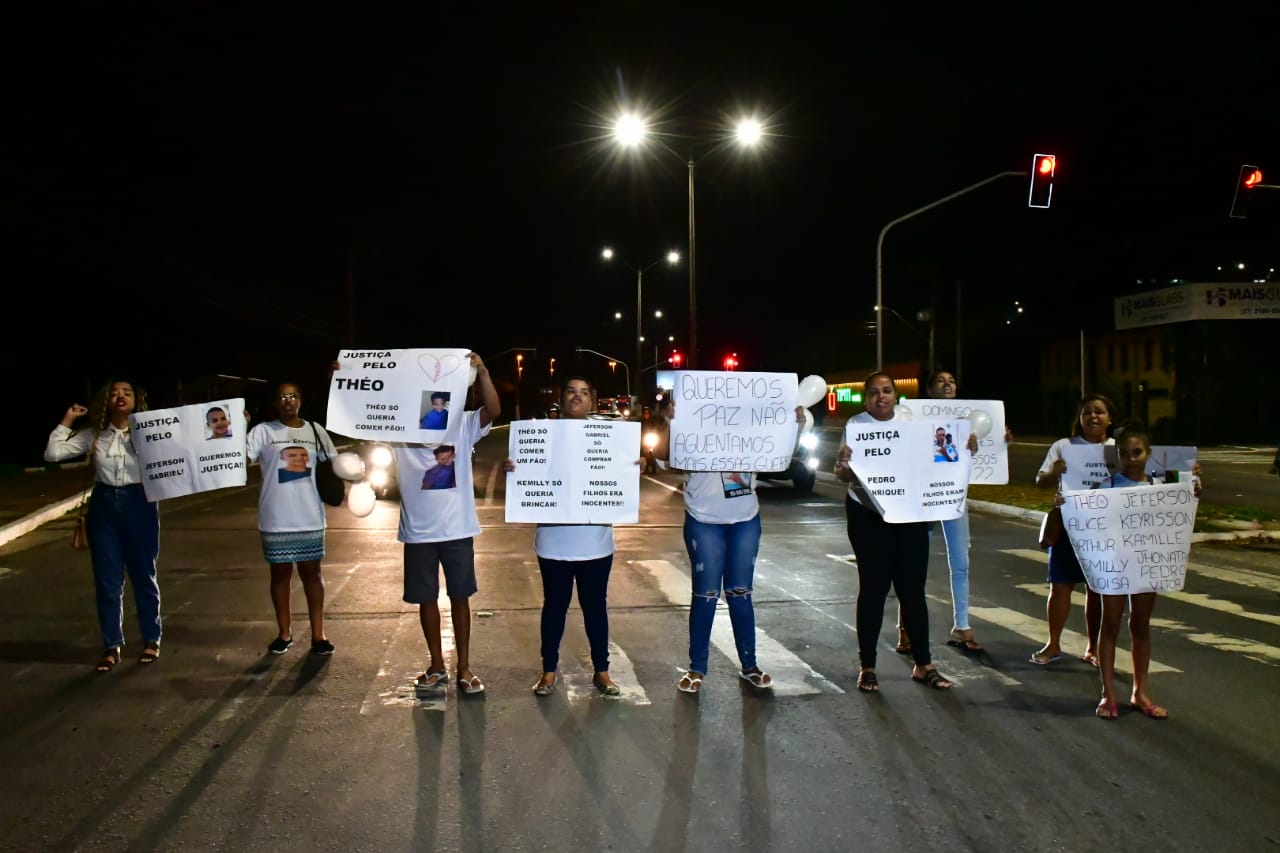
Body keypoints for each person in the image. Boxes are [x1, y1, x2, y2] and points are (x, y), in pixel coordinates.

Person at [505, 375, 637, 697]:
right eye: (571, 392)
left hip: (596, 544)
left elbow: (624, 473)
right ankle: (548, 672)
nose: (577, 397)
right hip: (554, 544)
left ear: (592, 399)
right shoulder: (541, 434)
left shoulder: (609, 438)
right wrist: (516, 468)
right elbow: (531, 475)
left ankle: (602, 672)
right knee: (554, 607)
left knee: (596, 609)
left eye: (583, 392)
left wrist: (634, 464)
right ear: (562, 398)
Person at [657, 395, 798, 695]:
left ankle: (750, 666)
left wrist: (792, 427)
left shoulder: (750, 430)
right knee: (706, 594)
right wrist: (671, 421)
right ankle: (697, 668)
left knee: (740, 593)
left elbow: (781, 457)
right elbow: (661, 459)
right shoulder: (691, 427)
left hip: (745, 519)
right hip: (703, 519)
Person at [834, 371, 952, 692]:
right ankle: (868, 666)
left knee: (912, 590)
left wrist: (964, 446)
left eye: (887, 391)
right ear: (866, 398)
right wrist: (843, 467)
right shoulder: (856, 426)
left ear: (896, 395)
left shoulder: (911, 420)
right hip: (867, 516)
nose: (881, 397)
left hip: (908, 514)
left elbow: (940, 454)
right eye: (874, 392)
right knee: (873, 590)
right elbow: (843, 474)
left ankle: (923, 664)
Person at [1075, 421, 1200, 720]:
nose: (1132, 459)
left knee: (1140, 625)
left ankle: (1139, 692)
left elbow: (1180, 514)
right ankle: (1108, 694)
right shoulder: (1108, 486)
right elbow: (1088, 519)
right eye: (1125, 453)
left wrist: (1192, 488)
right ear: (1116, 455)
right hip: (1115, 565)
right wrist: (1066, 504)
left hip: (1146, 563)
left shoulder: (1161, 486)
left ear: (1149, 453)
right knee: (1110, 625)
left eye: (1137, 452)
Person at [392, 352, 500, 695]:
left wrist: (482, 372)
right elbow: (353, 417)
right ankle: (437, 665)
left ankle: (464, 668)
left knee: (460, 597)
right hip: (418, 530)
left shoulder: (461, 423)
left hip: (457, 528)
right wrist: (344, 380)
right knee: (426, 598)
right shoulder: (395, 425)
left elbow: (494, 411)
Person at [45, 379, 163, 671]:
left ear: (137, 399)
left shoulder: (150, 433)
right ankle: (112, 645)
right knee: (108, 581)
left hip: (140, 504)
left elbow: (189, 448)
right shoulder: (94, 435)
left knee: (144, 575)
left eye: (127, 392)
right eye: (114, 392)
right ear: (106, 401)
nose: (120, 396)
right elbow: (53, 453)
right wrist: (69, 419)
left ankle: (151, 638)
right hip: (104, 508)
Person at [896, 370, 1011, 656]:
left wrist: (998, 440)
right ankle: (905, 627)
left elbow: (982, 455)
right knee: (913, 565)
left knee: (961, 562)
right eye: (940, 382)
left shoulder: (969, 423)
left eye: (952, 381)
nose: (948, 385)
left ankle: (962, 624)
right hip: (924, 497)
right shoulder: (917, 419)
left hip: (955, 497)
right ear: (930, 391)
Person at [246, 382, 339, 656]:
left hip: (309, 515)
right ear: (275, 402)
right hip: (276, 516)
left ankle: (318, 635)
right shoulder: (263, 431)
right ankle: (284, 633)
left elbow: (334, 464)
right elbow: (241, 459)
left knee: (312, 574)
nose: (288, 400)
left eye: (292, 395)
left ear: (300, 400)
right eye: (282, 396)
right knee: (280, 574)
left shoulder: (315, 430)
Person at [1030, 393, 1118, 667]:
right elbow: (1040, 482)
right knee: (1060, 586)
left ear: (1109, 418)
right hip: (1070, 525)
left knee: (1097, 590)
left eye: (1099, 412)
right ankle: (1053, 644)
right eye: (1087, 412)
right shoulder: (1064, 446)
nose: (1093, 416)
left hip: (1105, 528)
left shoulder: (1117, 449)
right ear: (1079, 418)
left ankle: (1093, 648)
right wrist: (1054, 473)